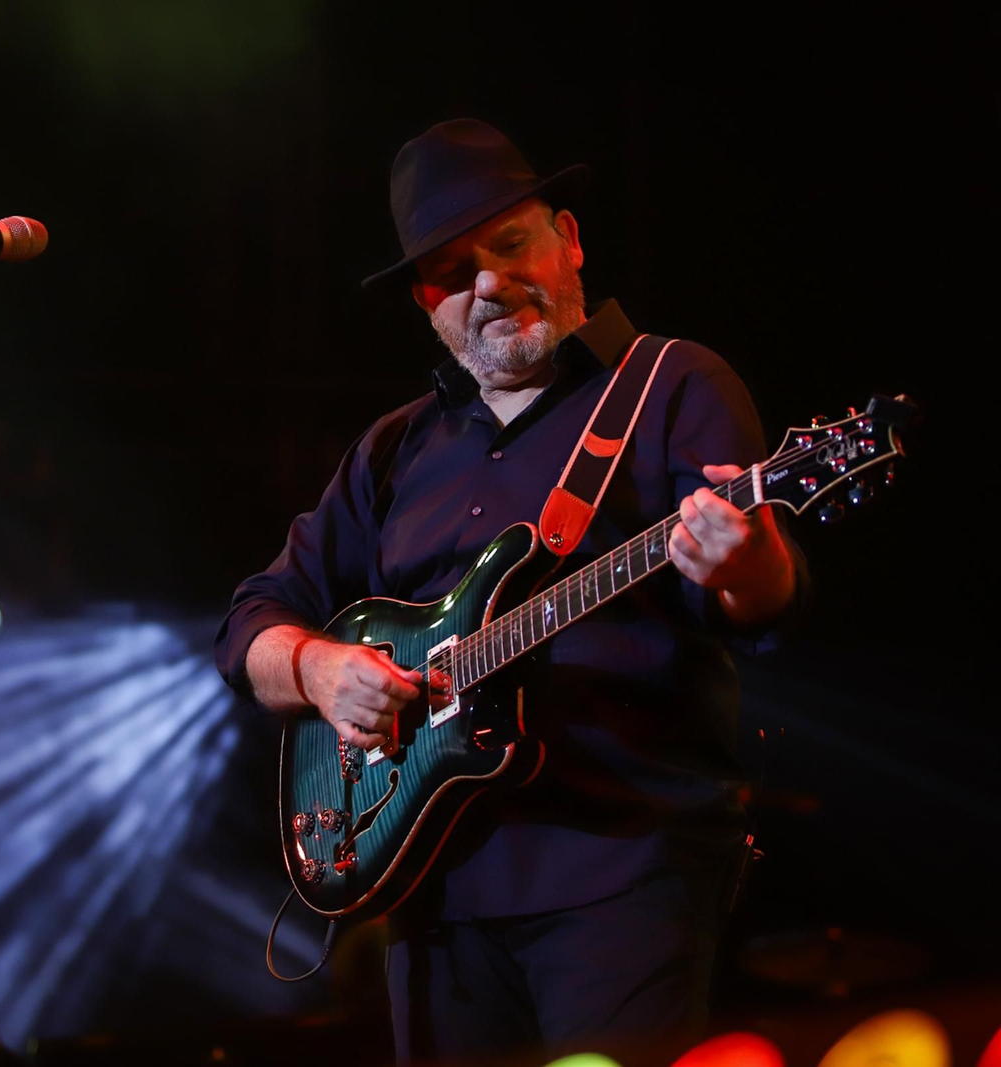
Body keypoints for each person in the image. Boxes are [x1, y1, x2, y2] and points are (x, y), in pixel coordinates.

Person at [214, 119, 806, 1063]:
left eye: (510, 243)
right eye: (452, 270)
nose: (487, 283)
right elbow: (250, 620)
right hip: (430, 893)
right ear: (425, 301)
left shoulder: (670, 384)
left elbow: (766, 604)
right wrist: (321, 669)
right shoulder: (392, 449)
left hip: (624, 870)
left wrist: (745, 561)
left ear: (569, 240)